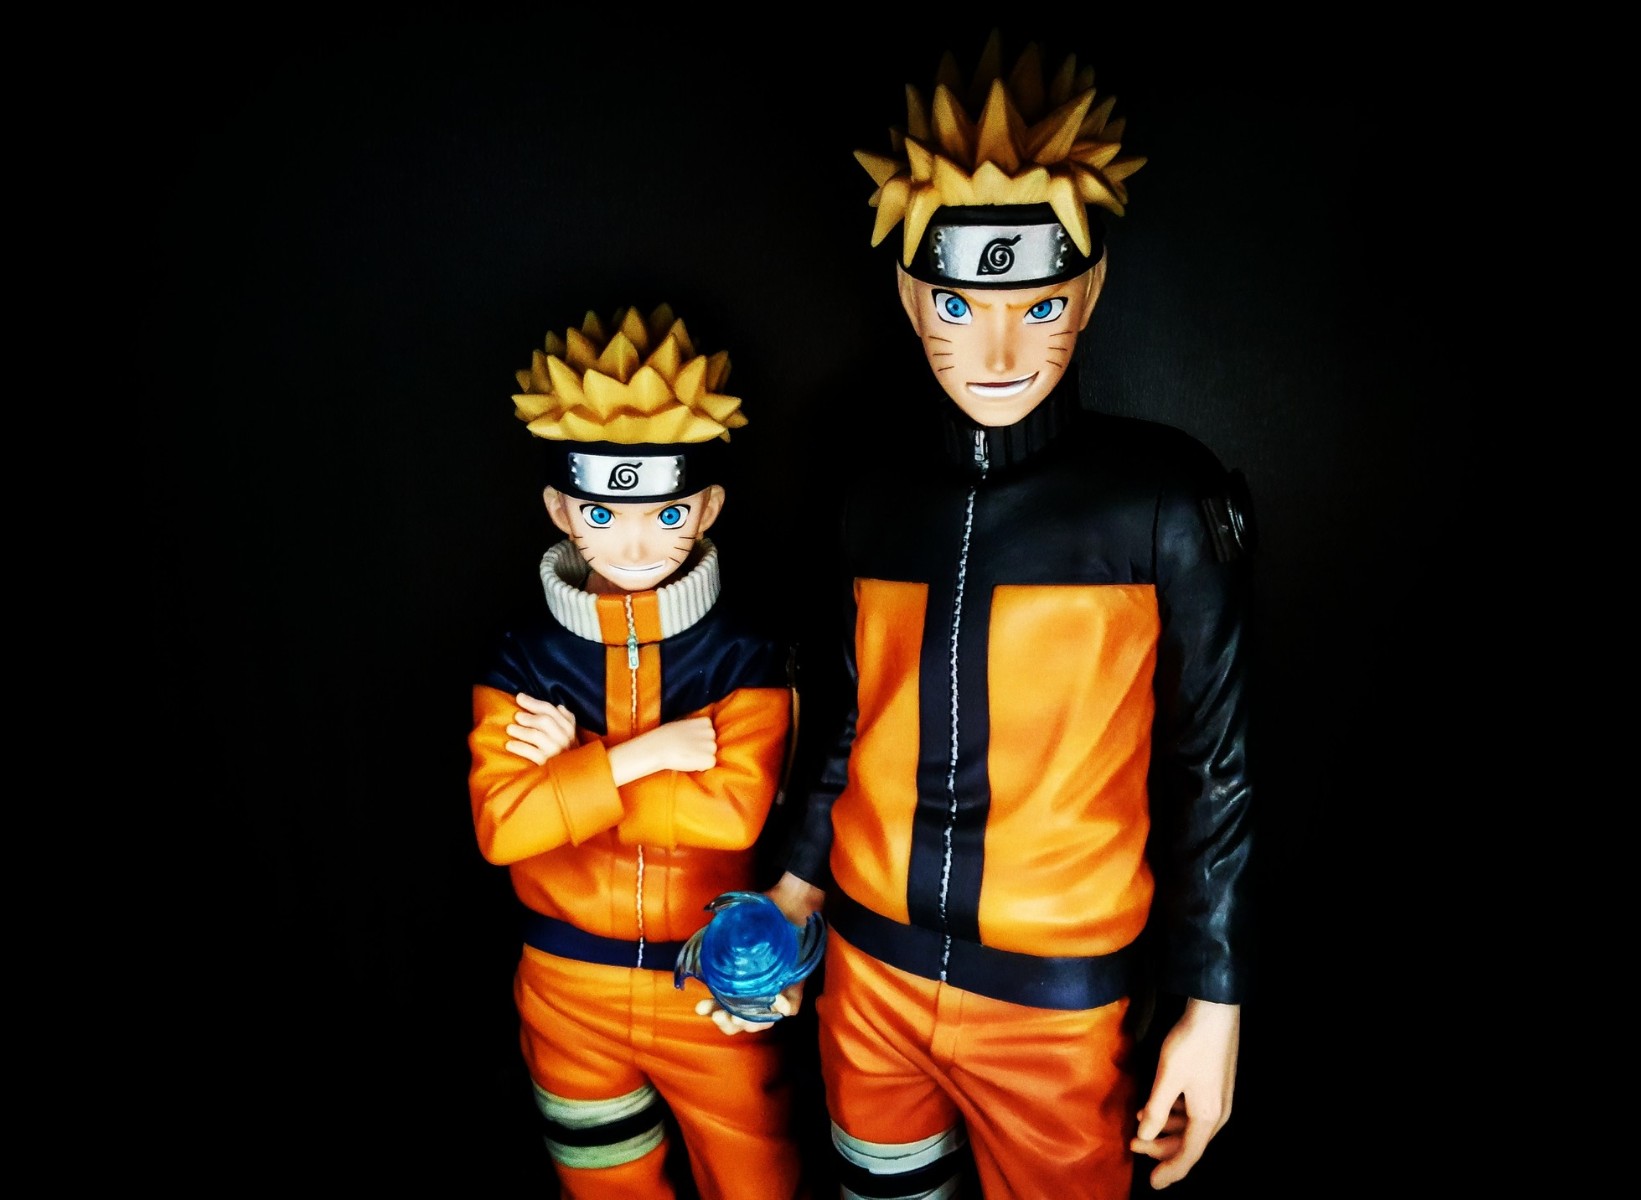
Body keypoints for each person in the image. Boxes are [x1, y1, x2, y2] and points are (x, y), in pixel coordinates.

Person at [709, 32, 1256, 1198]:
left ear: (1090, 289)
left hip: (1058, 1005)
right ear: (912, 296)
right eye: (959, 300)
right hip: (866, 977)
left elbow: (1213, 765)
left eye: (1039, 299)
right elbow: (849, 724)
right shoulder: (870, 498)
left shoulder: (1165, 500)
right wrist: (794, 893)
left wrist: (1213, 1000)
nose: (999, 349)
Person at [468, 303, 806, 1200]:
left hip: (714, 986)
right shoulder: (521, 653)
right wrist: (635, 754)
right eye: (600, 511)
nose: (633, 540)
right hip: (564, 992)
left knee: (758, 1183)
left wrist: (568, 777)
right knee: (602, 1184)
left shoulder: (745, 650)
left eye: (667, 511)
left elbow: (730, 814)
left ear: (709, 506)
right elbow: (502, 825)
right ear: (559, 508)